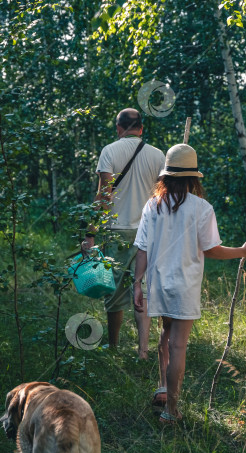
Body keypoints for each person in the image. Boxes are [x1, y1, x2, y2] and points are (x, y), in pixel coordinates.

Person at [132, 144, 246, 424]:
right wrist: (242, 251)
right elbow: (211, 249)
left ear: (166, 176)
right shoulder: (201, 208)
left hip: (159, 283)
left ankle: (164, 389)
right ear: (192, 177)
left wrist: (137, 283)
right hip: (184, 286)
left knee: (165, 335)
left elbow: (142, 248)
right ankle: (171, 410)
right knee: (178, 345)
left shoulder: (153, 205)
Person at [82, 108, 165, 360]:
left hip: (116, 231)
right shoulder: (158, 155)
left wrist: (90, 232)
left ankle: (114, 346)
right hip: (148, 232)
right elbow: (164, 195)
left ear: (119, 128)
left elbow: (104, 194)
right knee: (144, 290)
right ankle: (143, 351)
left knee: (115, 292)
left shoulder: (109, 151)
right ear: (141, 128)